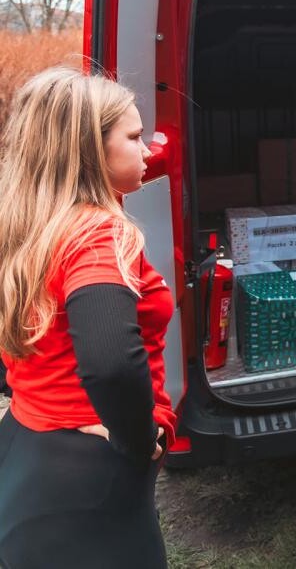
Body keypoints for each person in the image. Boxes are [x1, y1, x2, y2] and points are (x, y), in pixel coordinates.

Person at [0, 67, 174, 568]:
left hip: (24, 447)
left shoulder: (27, 223)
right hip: (87, 479)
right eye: (135, 137)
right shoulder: (98, 233)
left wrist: (29, 392)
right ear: (89, 149)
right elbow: (112, 362)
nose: (148, 150)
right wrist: (138, 438)